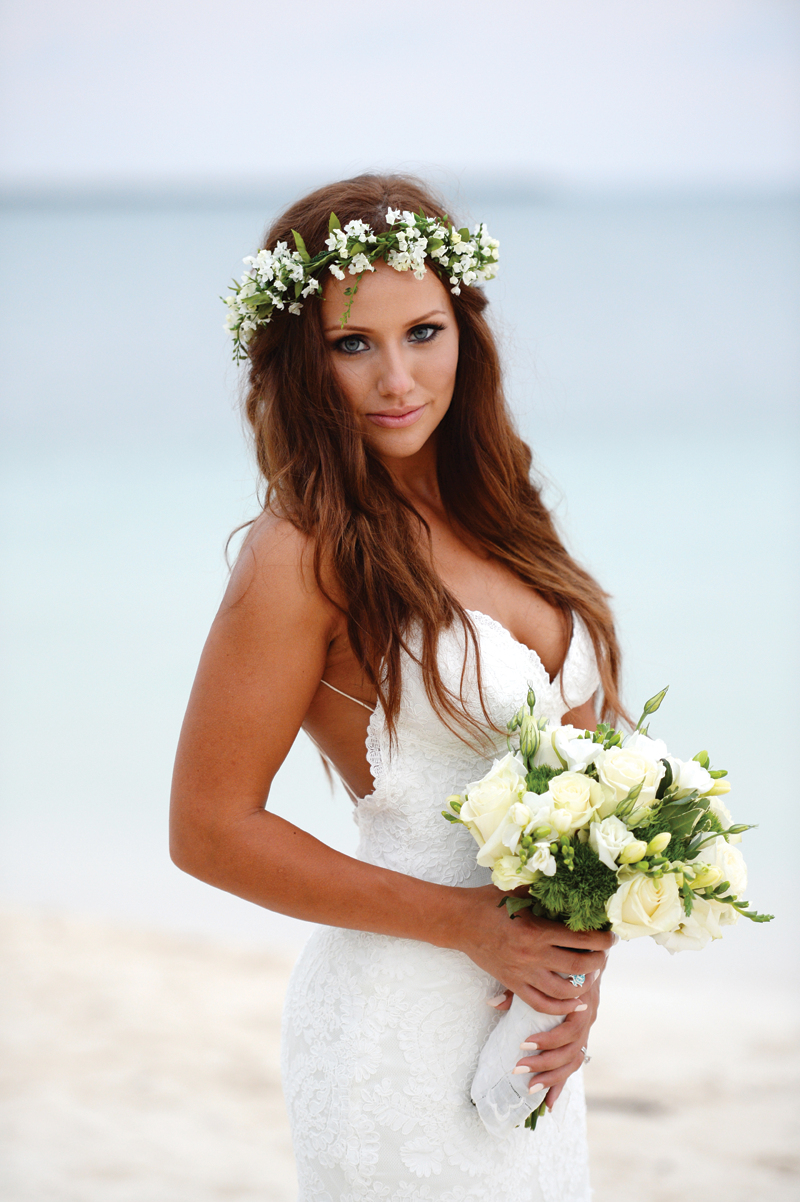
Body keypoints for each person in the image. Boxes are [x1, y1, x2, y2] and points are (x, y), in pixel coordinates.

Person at [170, 173, 624, 1201]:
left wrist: (576, 975)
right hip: (391, 1029)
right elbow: (206, 827)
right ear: (299, 359)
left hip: (526, 1032)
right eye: (350, 344)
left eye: (421, 331)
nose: (393, 379)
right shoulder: (302, 552)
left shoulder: (507, 514)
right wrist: (467, 924)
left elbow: (593, 797)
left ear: (463, 327)